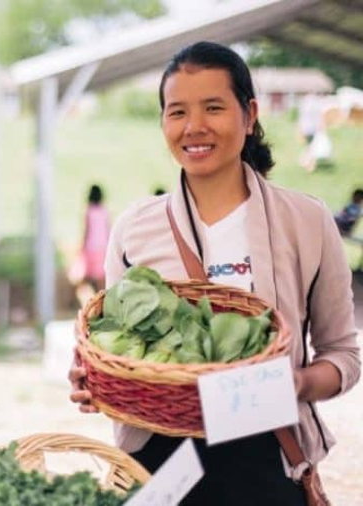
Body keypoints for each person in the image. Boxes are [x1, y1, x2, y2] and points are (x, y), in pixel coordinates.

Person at [69, 41, 360, 505]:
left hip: (267, 460)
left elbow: (343, 354)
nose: (194, 127)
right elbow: (111, 336)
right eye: (177, 111)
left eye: (213, 108)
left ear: (249, 115)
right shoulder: (134, 228)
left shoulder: (306, 222)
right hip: (160, 467)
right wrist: (95, 379)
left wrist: (299, 383)